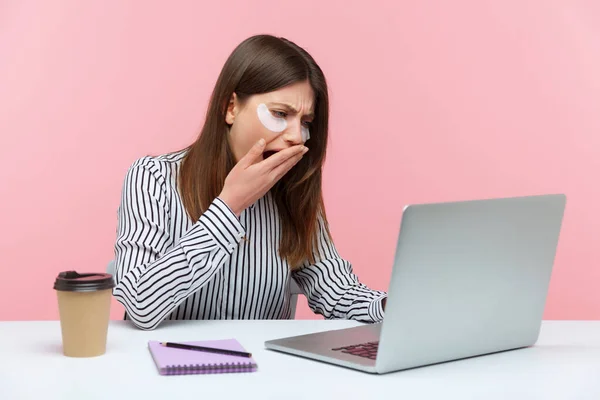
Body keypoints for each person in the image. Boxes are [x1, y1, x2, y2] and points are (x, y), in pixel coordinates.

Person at [112, 34, 387, 330]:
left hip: (260, 372)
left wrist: (395, 307)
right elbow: (139, 304)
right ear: (231, 107)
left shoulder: (292, 191)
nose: (297, 136)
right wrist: (229, 207)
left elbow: (337, 292)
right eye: (280, 114)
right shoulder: (154, 178)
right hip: (170, 368)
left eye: (306, 122)